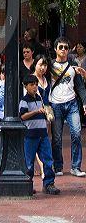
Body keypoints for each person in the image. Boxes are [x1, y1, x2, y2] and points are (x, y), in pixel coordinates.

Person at [49, 37, 86, 177]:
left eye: (66, 47)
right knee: (57, 138)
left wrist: (84, 102)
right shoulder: (50, 65)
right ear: (55, 49)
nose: (63, 50)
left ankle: (75, 167)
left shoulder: (73, 65)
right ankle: (58, 166)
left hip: (72, 104)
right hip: (55, 104)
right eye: (61, 47)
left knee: (76, 134)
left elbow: (80, 86)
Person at [19, 75, 60, 195]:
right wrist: (36, 111)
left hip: (43, 134)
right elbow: (22, 116)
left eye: (36, 84)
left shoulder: (40, 98)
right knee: (29, 163)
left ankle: (49, 184)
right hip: (30, 135)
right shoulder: (24, 100)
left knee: (48, 160)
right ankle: (27, 184)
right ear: (25, 86)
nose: (35, 87)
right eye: (31, 85)